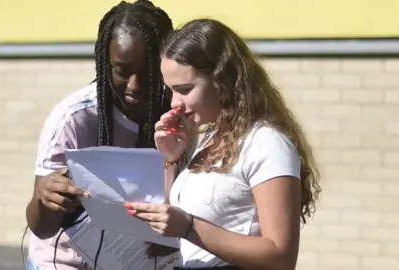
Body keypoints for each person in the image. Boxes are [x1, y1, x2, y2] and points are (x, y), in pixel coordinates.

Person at [127, 18, 321, 270]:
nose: (175, 102)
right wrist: (171, 159)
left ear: (223, 80)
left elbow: (281, 256)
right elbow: (173, 224)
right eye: (170, 90)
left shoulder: (267, 142)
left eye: (185, 89)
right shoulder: (207, 137)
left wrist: (189, 226)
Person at [25, 1, 174, 269]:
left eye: (147, 71)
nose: (135, 85)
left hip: (138, 261)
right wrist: (43, 198)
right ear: (104, 64)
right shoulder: (74, 118)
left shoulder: (179, 111)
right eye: (121, 71)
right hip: (66, 262)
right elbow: (41, 227)